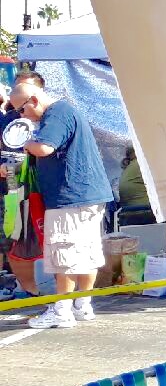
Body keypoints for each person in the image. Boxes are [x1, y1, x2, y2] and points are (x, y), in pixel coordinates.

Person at [10, 72, 113, 330]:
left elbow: (45, 148)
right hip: (88, 194)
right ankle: (82, 305)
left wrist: (24, 142)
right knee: (86, 251)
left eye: (22, 110)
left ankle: (62, 309)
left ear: (33, 100)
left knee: (64, 252)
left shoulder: (56, 114)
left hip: (69, 196)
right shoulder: (66, 111)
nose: (22, 116)